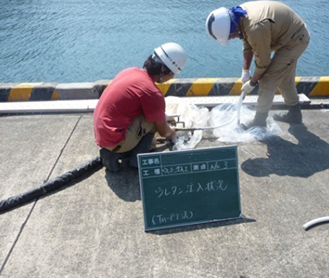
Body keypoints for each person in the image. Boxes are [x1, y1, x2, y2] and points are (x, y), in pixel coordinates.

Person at [206, 1, 310, 127]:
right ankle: (295, 114)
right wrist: (246, 71)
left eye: (229, 37)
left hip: (295, 40)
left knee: (268, 79)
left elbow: (263, 63)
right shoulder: (239, 16)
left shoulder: (255, 27)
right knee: (284, 79)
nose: (231, 39)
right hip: (289, 34)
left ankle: (259, 121)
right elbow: (248, 44)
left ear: (231, 29)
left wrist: (252, 82)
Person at [93, 42, 187, 172]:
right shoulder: (152, 93)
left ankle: (122, 150)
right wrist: (173, 133)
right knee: (153, 121)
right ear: (163, 71)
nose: (171, 78)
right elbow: (164, 132)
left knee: (151, 116)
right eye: (172, 74)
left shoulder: (130, 71)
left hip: (102, 133)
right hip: (115, 140)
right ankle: (137, 159)